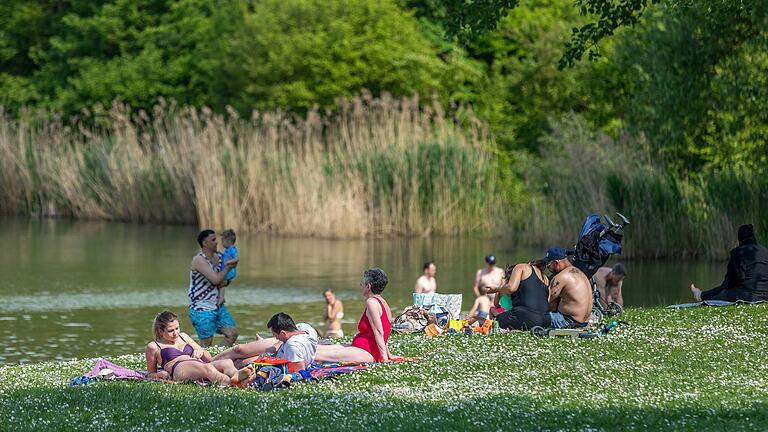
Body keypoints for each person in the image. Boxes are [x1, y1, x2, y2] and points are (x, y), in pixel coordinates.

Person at [145, 311, 254, 385]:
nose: (175, 333)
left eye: (177, 328)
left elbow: (208, 359)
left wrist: (200, 351)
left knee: (226, 362)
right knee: (208, 369)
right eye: (170, 331)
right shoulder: (154, 346)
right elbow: (150, 374)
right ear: (160, 331)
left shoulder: (184, 336)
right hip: (179, 368)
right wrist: (159, 374)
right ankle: (232, 384)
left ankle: (237, 377)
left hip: (197, 363)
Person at [496, 247, 592, 330]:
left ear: (555, 263)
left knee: (534, 315)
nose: (549, 270)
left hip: (568, 321)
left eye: (549, 266)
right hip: (584, 321)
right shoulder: (581, 273)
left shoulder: (561, 277)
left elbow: (546, 304)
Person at [315, 268, 395, 363]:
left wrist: (385, 359)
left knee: (316, 354)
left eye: (362, 283)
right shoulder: (383, 302)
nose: (360, 286)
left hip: (366, 351)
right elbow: (386, 331)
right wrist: (388, 354)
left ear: (368, 286)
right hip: (361, 347)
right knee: (319, 348)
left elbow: (379, 332)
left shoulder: (372, 302)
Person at [691, 224, 768, 302]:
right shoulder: (765, 252)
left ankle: (699, 295)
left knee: (720, 295)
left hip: (748, 296)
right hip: (766, 296)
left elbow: (727, 284)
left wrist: (704, 294)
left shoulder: (737, 252)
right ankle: (700, 294)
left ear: (740, 238)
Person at [188, 229, 239, 347]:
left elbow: (225, 280)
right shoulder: (198, 260)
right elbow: (216, 279)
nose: (217, 242)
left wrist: (227, 281)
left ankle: (216, 358)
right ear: (205, 243)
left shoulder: (220, 257)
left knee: (232, 334)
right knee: (206, 343)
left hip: (217, 305)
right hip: (201, 307)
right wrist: (227, 267)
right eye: (213, 240)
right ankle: (200, 362)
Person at [213, 314, 319, 370]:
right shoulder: (305, 328)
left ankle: (208, 368)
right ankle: (210, 365)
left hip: (276, 362)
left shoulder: (293, 345)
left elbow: (299, 370)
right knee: (239, 352)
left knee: (239, 361)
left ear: (283, 333)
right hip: (276, 354)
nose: (276, 339)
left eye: (275, 336)